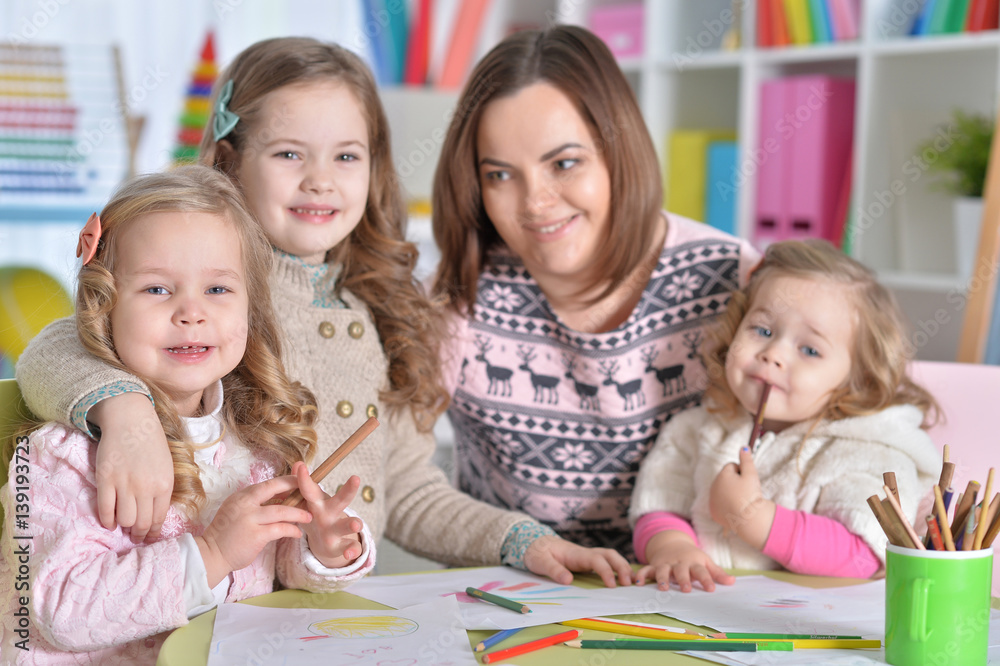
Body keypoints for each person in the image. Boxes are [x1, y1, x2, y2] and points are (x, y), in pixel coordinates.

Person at [15, 37, 631, 586]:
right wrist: (125, 412)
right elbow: (56, 348)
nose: (320, 181)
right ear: (228, 162)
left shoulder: (388, 310)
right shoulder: (211, 298)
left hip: (324, 615)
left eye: (346, 156)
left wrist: (526, 541)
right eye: (289, 155)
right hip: (194, 602)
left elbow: (410, 495)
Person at [0, 167, 374, 663]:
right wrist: (211, 556)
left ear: (249, 309)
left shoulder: (257, 440)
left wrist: (322, 546)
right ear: (102, 308)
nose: (191, 312)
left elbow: (274, 564)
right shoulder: (62, 455)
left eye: (218, 290)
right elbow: (55, 607)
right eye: (157, 289)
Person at [430, 25, 760, 557]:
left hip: (699, 597)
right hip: (520, 592)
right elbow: (394, 473)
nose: (535, 202)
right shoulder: (457, 300)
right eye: (499, 175)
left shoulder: (735, 280)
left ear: (616, 148)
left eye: (564, 163)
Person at [630, 239, 943, 593]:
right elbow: (657, 504)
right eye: (762, 330)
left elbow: (863, 554)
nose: (773, 354)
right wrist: (672, 547)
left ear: (858, 378)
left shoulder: (870, 450)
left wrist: (754, 517)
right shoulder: (694, 428)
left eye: (809, 349)